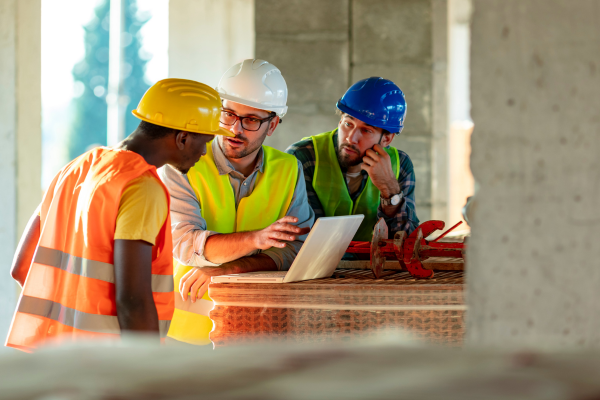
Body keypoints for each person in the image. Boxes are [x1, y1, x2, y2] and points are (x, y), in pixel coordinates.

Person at [5, 78, 231, 352]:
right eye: (205, 141)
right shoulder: (141, 187)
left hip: (54, 356)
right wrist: (143, 374)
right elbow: (133, 300)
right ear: (183, 138)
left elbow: (21, 268)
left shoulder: (74, 169)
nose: (204, 152)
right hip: (105, 363)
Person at [160, 59, 314, 345]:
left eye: (251, 119)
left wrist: (230, 269)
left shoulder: (288, 169)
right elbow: (185, 245)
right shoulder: (181, 164)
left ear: (273, 124)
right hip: (183, 331)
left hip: (258, 330)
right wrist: (257, 240)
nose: (235, 128)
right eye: (228, 114)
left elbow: (296, 252)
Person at [286, 77, 419, 243]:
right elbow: (305, 236)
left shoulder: (400, 165)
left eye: (366, 130)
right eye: (348, 124)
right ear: (340, 119)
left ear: (386, 139)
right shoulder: (303, 157)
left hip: (374, 268)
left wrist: (390, 190)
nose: (351, 138)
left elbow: (407, 242)